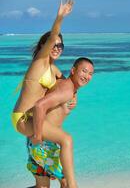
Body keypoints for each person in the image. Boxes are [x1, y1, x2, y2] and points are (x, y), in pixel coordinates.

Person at [11, 0, 77, 187]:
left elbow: (70, 84)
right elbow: (53, 35)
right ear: (44, 47)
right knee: (66, 140)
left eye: (60, 46)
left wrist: (74, 99)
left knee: (43, 186)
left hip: (34, 122)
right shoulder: (40, 62)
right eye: (53, 45)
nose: (57, 48)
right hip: (23, 119)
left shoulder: (53, 69)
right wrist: (60, 17)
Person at [26, 57, 94, 188]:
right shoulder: (66, 89)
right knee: (67, 183)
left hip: (37, 142)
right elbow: (39, 106)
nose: (87, 76)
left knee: (42, 186)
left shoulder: (69, 87)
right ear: (73, 70)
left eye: (90, 74)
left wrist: (74, 94)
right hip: (43, 144)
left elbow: (52, 67)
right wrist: (38, 137)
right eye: (84, 71)